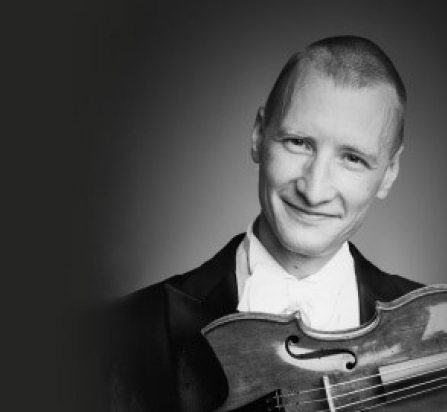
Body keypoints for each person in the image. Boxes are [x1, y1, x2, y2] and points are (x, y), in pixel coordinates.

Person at [101, 35, 428, 412]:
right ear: (259, 135)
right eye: (298, 142)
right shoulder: (119, 336)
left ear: (389, 173)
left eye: (352, 158)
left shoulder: (439, 330)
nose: (314, 190)